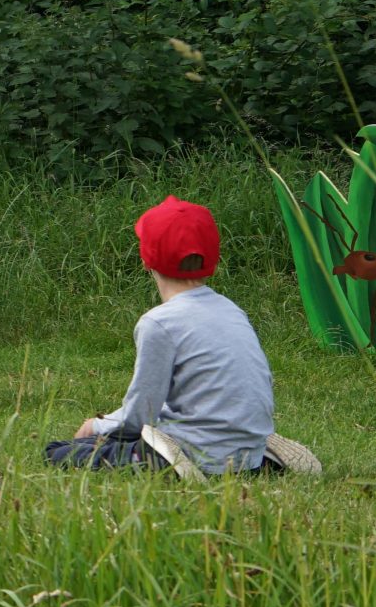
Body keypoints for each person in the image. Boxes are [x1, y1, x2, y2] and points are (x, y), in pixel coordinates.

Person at [45, 196, 309, 476]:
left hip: (190, 452)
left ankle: (188, 464)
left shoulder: (159, 323)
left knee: (59, 451)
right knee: (127, 436)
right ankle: (260, 460)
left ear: (146, 259)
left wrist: (97, 425)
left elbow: (138, 416)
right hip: (248, 455)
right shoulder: (232, 310)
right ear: (212, 259)